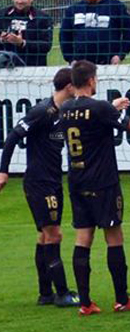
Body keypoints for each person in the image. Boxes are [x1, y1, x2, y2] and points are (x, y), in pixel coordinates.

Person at [61, 63, 130, 313]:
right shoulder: (98, 108)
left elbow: (90, 119)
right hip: (103, 182)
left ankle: (86, 303)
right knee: (114, 238)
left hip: (77, 181)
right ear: (90, 81)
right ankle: (122, 299)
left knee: (83, 238)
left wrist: (112, 108)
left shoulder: (66, 108)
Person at [0, 67, 78, 305]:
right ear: (69, 87)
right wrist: (3, 171)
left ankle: (45, 293)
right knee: (54, 234)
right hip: (39, 183)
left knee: (44, 236)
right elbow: (13, 136)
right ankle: (63, 293)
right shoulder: (42, 111)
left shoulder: (63, 112)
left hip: (52, 181)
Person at [59, 0, 130, 66]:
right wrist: (70, 59)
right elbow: (64, 36)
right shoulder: (73, 10)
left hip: (109, 63)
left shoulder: (116, 7)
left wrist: (120, 55)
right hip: (81, 67)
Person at [0, 0, 53, 67]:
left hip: (33, 68)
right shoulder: (3, 15)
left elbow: (46, 46)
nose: (19, 1)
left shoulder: (42, 18)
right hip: (5, 69)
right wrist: (2, 39)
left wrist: (22, 43)